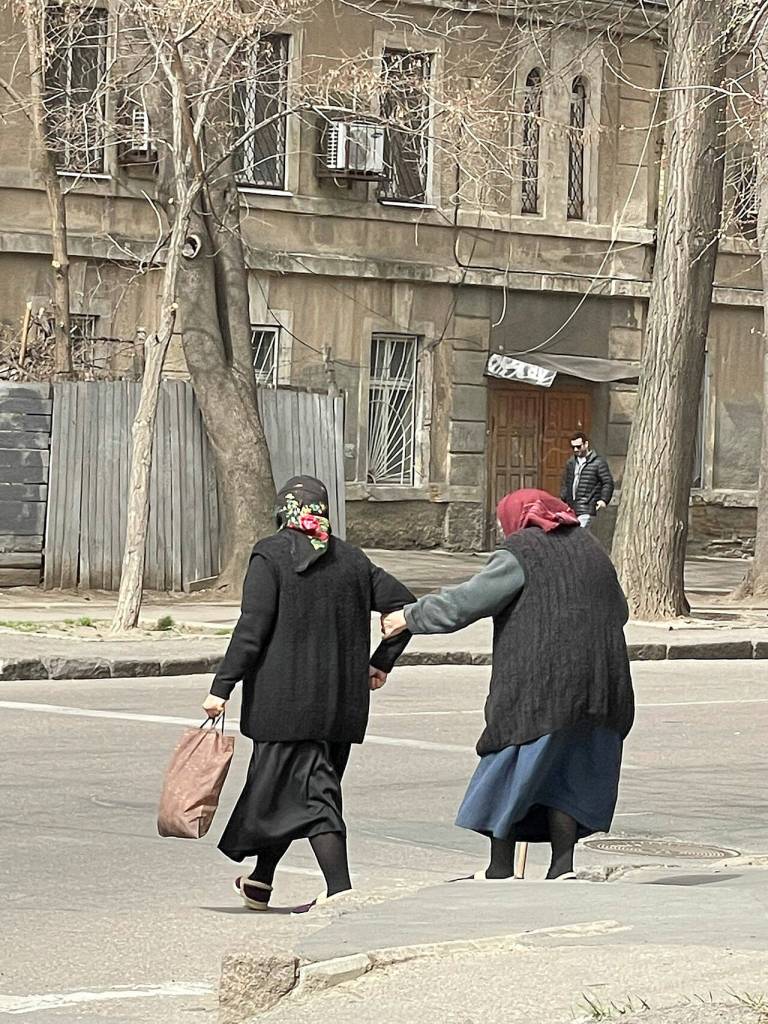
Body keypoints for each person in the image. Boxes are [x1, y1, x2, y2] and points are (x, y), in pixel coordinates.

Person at [382, 488, 634, 881]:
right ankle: (562, 866)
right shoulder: (592, 548)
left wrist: (409, 617)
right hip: (602, 688)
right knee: (568, 774)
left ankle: (499, 867)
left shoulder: (521, 552)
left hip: (540, 686)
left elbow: (466, 602)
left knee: (511, 764)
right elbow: (620, 610)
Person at [202, 475, 413, 911]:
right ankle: (260, 882)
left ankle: (341, 892)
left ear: (283, 511)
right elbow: (406, 607)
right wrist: (382, 660)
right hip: (340, 709)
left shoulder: (270, 554)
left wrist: (221, 688)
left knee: (314, 798)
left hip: (285, 708)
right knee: (287, 793)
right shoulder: (353, 560)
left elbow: (251, 630)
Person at [560, 432, 614, 529]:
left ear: (586, 444)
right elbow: (566, 482)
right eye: (573, 447)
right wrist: (564, 497)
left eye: (578, 446)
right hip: (571, 508)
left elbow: (607, 482)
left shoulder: (598, 463)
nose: (576, 450)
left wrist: (603, 500)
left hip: (587, 508)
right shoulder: (571, 463)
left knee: (580, 535)